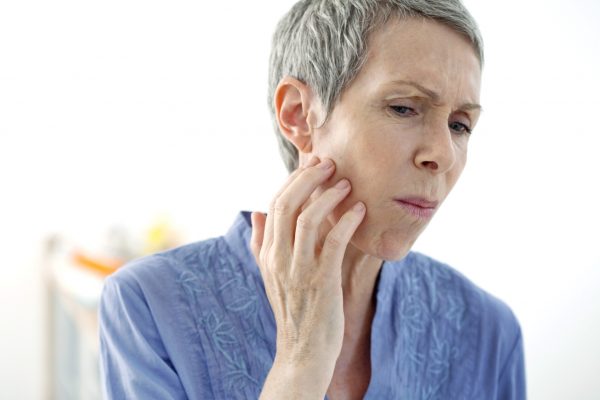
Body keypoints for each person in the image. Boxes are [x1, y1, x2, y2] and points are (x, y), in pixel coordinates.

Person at [98, 0, 527, 399]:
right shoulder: (149, 307)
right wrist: (300, 361)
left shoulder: (489, 336)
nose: (443, 154)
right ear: (299, 115)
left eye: (460, 125)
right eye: (404, 108)